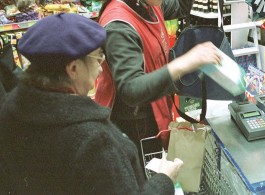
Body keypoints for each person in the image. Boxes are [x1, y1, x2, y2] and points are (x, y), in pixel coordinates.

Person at [0, 13, 183, 194]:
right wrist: (164, 180)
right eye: (98, 58)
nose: (101, 66)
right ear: (73, 68)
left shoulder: (11, 110)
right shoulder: (95, 141)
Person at [94, 0, 221, 167]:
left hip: (149, 111)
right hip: (132, 123)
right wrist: (183, 63)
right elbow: (131, 90)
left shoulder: (144, 1)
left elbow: (176, 5)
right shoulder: (119, 26)